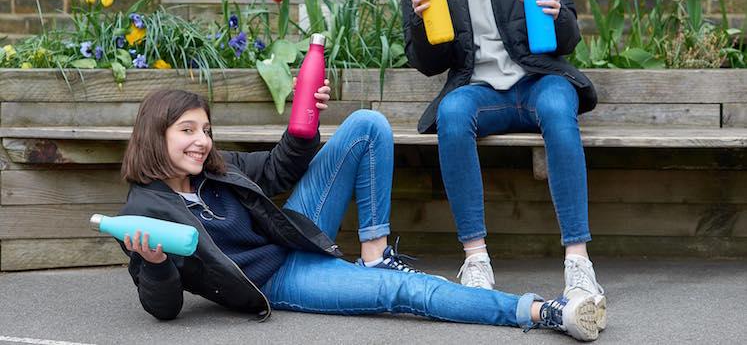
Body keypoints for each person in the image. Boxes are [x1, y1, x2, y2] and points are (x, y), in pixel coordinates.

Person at [117, 87, 601, 340]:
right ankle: (540, 310)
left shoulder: (216, 169)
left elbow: (282, 166)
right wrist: (157, 266)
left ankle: (375, 252)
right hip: (277, 279)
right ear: (155, 134)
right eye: (187, 130)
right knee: (403, 291)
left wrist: (306, 117)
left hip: (292, 233)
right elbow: (163, 308)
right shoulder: (145, 211)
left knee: (366, 124)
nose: (202, 141)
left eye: (205, 129)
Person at [400, 0, 606, 331]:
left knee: (560, 105)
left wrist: (557, 15)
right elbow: (427, 64)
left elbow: (569, 38)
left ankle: (578, 262)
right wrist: (420, 16)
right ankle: (476, 259)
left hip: (536, 80)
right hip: (479, 88)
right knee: (452, 115)